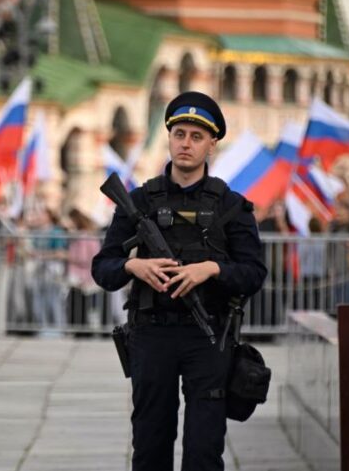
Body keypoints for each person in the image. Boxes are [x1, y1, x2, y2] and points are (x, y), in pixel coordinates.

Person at [92, 91, 267, 471]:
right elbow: (102, 268)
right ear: (169, 137)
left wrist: (212, 270)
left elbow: (254, 274)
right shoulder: (138, 202)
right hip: (152, 336)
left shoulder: (232, 207)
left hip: (208, 339)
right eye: (179, 134)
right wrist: (133, 268)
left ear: (212, 145)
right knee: (151, 447)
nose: (186, 143)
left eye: (196, 137)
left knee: (204, 451)